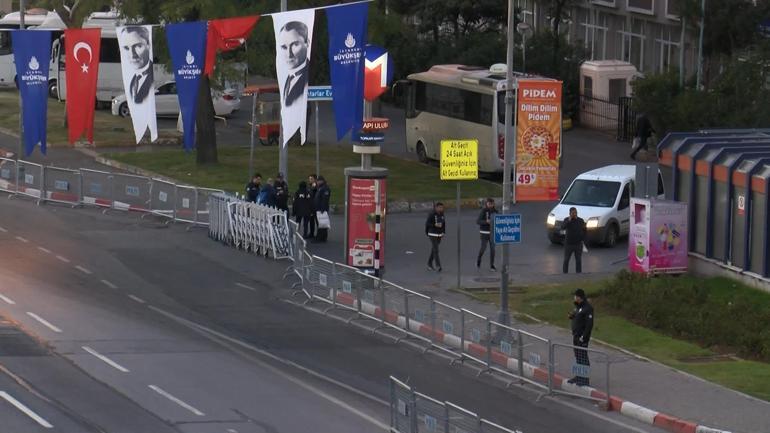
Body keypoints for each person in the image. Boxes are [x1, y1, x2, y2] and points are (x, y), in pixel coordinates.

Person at [277, 21, 309, 107]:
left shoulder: (310, 75)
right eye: (284, 47)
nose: (289, 54)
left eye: (295, 44)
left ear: (307, 43)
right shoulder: (285, 76)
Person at [120, 26, 154, 105]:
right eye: (126, 48)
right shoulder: (132, 80)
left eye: (138, 46)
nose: (132, 55)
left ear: (148, 45)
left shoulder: (153, 77)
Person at [568, 288, 594, 386]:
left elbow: (589, 325)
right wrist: (572, 316)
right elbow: (577, 316)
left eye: (575, 296)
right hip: (576, 336)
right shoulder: (579, 307)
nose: (574, 298)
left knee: (583, 357)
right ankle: (579, 376)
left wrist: (583, 337)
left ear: (579, 297)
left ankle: (585, 379)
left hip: (582, 337)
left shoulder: (588, 308)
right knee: (578, 356)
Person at [562, 207, 586, 274]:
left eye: (575, 212)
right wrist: (569, 220)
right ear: (570, 213)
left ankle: (578, 274)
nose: (574, 214)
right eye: (573, 213)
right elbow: (563, 227)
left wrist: (583, 239)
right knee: (566, 260)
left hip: (578, 244)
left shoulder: (580, 220)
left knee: (578, 260)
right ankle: (565, 274)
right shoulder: (567, 220)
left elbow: (584, 230)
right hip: (569, 244)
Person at [476, 198, 497, 271]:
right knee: (483, 248)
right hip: (484, 233)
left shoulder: (495, 211)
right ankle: (479, 259)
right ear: (486, 204)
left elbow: (499, 220)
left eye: (492, 203)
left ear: (493, 204)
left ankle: (492, 265)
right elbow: (478, 221)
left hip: (493, 233)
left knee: (493, 250)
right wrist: (486, 222)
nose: (490, 205)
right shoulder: (483, 211)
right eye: (489, 203)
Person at [425, 202, 446, 272]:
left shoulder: (442, 214)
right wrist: (434, 225)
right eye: (440, 207)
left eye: (442, 208)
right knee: (436, 250)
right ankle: (438, 265)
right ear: (436, 207)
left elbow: (443, 224)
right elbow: (427, 223)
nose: (441, 209)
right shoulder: (431, 214)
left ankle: (429, 263)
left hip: (439, 234)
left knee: (434, 250)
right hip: (432, 234)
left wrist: (443, 232)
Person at [313, 176, 331, 242]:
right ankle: (321, 237)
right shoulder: (320, 188)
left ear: (322, 181)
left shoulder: (325, 188)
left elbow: (325, 200)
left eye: (318, 181)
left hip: (322, 209)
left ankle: (321, 238)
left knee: (322, 224)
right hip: (319, 209)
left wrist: (322, 209)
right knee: (321, 224)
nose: (317, 182)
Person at [306, 174, 318, 239]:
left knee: (317, 221)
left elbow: (313, 193)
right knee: (311, 220)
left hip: (315, 206)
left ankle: (319, 234)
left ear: (315, 179)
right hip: (310, 206)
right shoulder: (309, 186)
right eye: (309, 179)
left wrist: (313, 187)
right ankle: (311, 233)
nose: (310, 180)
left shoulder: (316, 186)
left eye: (311, 179)